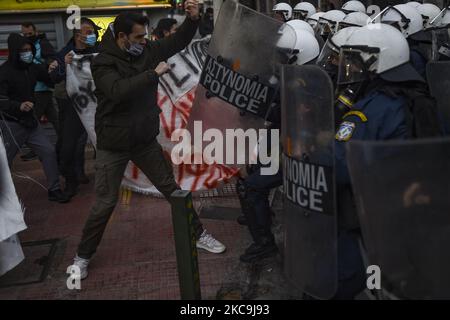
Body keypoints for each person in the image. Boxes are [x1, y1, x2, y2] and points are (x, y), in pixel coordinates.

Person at [71, 1, 225, 280]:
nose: (144, 41)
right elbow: (117, 91)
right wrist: (152, 74)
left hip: (144, 141)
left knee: (172, 189)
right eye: (139, 37)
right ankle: (82, 255)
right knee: (104, 203)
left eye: (145, 36)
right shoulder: (103, 61)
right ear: (122, 37)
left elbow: (177, 41)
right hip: (112, 146)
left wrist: (192, 20)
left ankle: (199, 234)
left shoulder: (148, 50)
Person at [325, 23, 429, 299]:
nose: (352, 71)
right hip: (412, 212)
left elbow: (339, 164)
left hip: (370, 220)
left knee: (341, 282)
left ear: (378, 63)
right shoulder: (419, 97)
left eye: (358, 64)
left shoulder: (371, 110)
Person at [238, 26, 320, 264]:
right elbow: (277, 115)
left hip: (301, 152)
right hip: (280, 143)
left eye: (282, 56)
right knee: (247, 179)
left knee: (252, 186)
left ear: (298, 56)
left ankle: (265, 244)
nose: (276, 60)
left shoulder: (309, 87)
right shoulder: (288, 79)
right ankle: (261, 219)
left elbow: (295, 120)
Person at [0, 33, 69, 203]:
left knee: (48, 151)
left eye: (30, 50)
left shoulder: (32, 67)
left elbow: (51, 79)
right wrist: (18, 106)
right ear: (15, 52)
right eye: (24, 51)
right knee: (4, 162)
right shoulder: (4, 72)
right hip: (11, 124)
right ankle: (6, 199)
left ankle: (54, 189)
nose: (28, 53)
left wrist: (61, 65)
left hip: (31, 123)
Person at [50, 17, 100, 198]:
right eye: (89, 32)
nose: (92, 35)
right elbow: (53, 77)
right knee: (68, 148)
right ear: (78, 35)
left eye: (94, 32)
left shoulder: (99, 50)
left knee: (104, 144)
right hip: (74, 108)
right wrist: (63, 64)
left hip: (99, 106)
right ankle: (71, 183)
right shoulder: (65, 53)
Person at [20, 22, 58, 162]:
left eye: (30, 34)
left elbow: (51, 59)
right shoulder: (27, 45)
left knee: (33, 119)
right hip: (38, 87)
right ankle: (65, 142)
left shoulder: (42, 43)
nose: (27, 36)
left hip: (41, 87)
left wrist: (41, 66)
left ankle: (36, 149)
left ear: (36, 31)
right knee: (55, 119)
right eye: (25, 34)